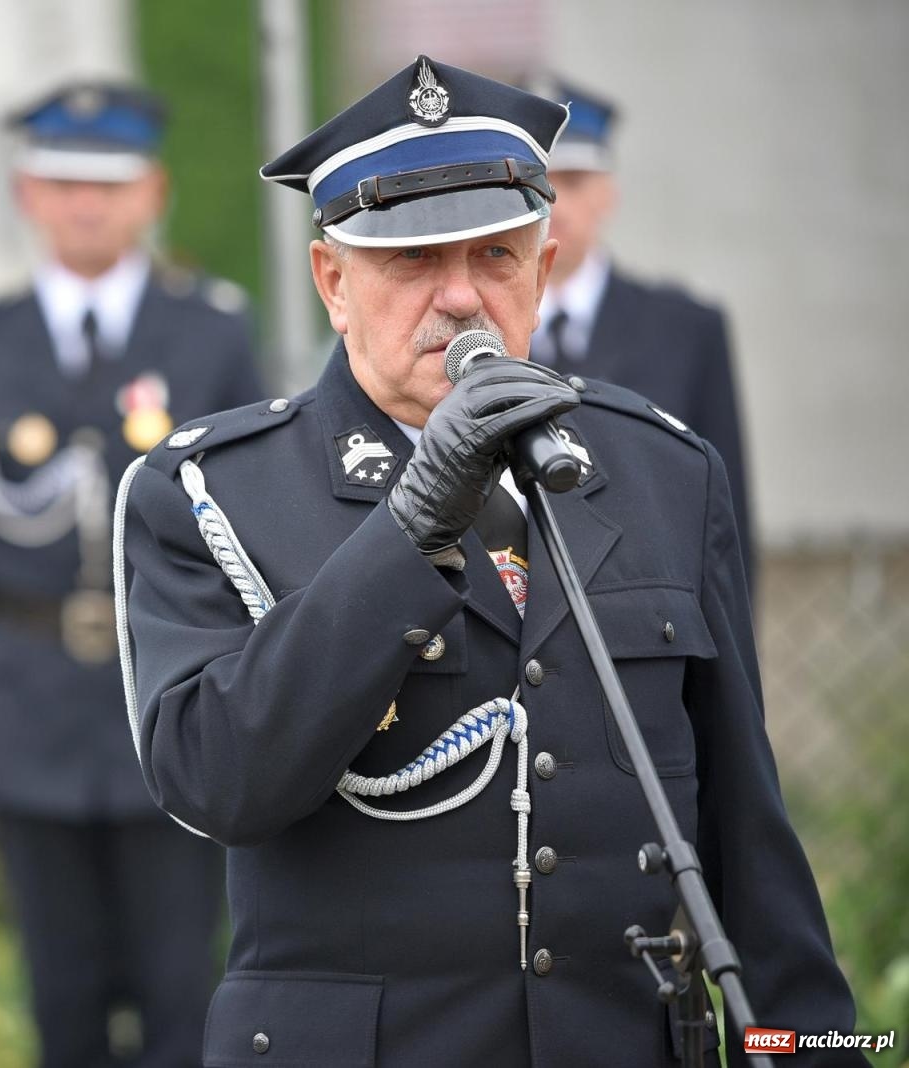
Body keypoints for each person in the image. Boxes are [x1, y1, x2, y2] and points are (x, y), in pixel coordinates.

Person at [115, 56, 860, 1067]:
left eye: (495, 258)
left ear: (543, 271)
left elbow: (748, 847)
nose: (460, 299)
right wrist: (410, 527)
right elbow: (215, 779)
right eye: (413, 262)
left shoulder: (660, 471)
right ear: (333, 281)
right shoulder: (211, 490)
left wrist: (812, 1046)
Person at [0, 81, 264, 1068]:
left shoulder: (215, 334)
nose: (85, 205)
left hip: (174, 708)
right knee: (59, 1005)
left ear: (153, 192)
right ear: (26, 193)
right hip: (24, 706)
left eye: (108, 184)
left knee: (182, 997)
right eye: (62, 183)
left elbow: (259, 540)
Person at [528, 77, 754, 582]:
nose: (555, 204)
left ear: (608, 192)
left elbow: (725, 511)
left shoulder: (686, 330)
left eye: (575, 181)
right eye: (537, 183)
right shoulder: (477, 343)